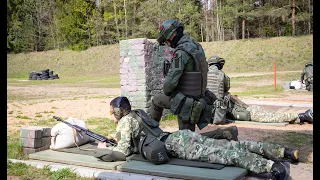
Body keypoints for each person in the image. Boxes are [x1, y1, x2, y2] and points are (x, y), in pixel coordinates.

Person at [98, 96, 299, 180]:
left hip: (177, 145)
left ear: (118, 112)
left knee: (225, 153)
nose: (111, 115)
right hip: (179, 136)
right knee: (229, 145)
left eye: (112, 112)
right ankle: (283, 152)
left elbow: (123, 151)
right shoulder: (138, 113)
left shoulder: (125, 122)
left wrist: (105, 151)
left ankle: (273, 168)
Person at [206, 56, 313, 124]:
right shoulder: (221, 75)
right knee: (262, 116)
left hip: (219, 110)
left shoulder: (203, 75)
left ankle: (301, 117)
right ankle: (301, 116)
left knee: (259, 112)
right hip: (229, 108)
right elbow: (227, 87)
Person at [150, 19, 209, 132]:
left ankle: (152, 133)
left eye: (166, 41)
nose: (167, 44)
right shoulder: (196, 46)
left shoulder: (180, 53)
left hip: (186, 101)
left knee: (156, 100)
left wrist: (169, 90)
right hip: (199, 96)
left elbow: (169, 85)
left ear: (172, 36)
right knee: (190, 136)